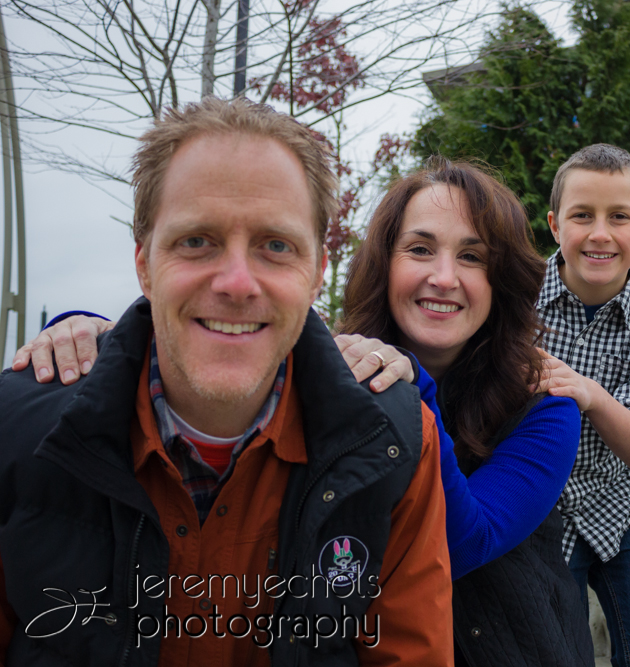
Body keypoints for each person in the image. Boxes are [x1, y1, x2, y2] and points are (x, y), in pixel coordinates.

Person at [14, 159, 594, 667]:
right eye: (419, 249)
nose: (443, 276)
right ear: (383, 263)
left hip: (503, 646)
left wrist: (413, 391)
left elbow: (466, 543)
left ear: (503, 280)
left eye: (472, 257)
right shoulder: (336, 371)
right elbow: (226, 337)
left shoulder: (545, 404)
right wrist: (87, 330)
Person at [0, 97, 452, 667]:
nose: (238, 282)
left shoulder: (396, 439)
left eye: (275, 246)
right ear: (144, 264)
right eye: (197, 241)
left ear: (315, 274)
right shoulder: (14, 430)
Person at [535, 143, 630, 667]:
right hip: (539, 506)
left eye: (619, 216)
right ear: (555, 224)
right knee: (557, 652)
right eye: (582, 215)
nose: (600, 233)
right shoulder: (513, 302)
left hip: (626, 504)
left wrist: (590, 393)